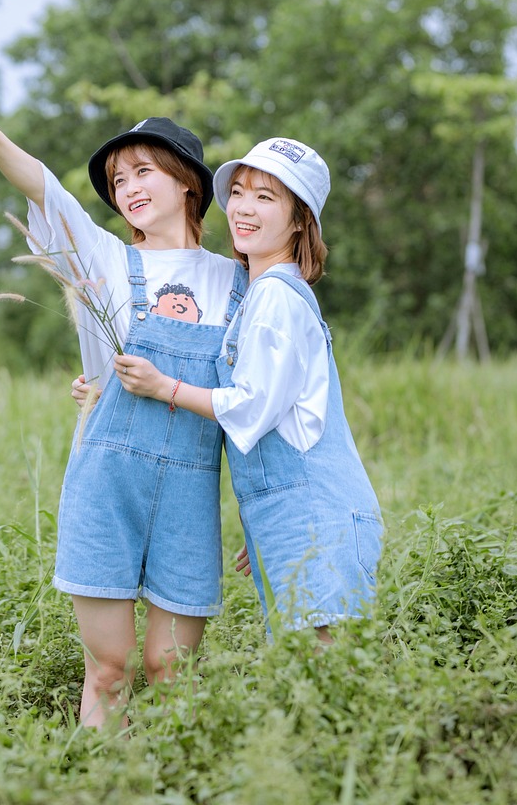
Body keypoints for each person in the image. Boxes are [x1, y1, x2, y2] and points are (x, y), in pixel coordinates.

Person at [0, 102, 247, 723]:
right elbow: (42, 188)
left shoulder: (238, 280)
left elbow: (257, 401)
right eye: (117, 180)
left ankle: (171, 771)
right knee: (110, 668)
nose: (127, 188)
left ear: (188, 181)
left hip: (191, 492)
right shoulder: (102, 258)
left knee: (171, 668)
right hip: (107, 483)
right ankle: (98, 772)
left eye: (142, 172)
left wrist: (260, 515)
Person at [115, 135, 382, 637]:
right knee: (307, 668)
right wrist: (267, 515)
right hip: (290, 514)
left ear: (300, 219)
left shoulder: (276, 296)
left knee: (325, 667)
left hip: (314, 515)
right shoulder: (261, 294)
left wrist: (162, 386)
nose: (243, 208)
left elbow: (252, 407)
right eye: (237, 192)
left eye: (265, 197)